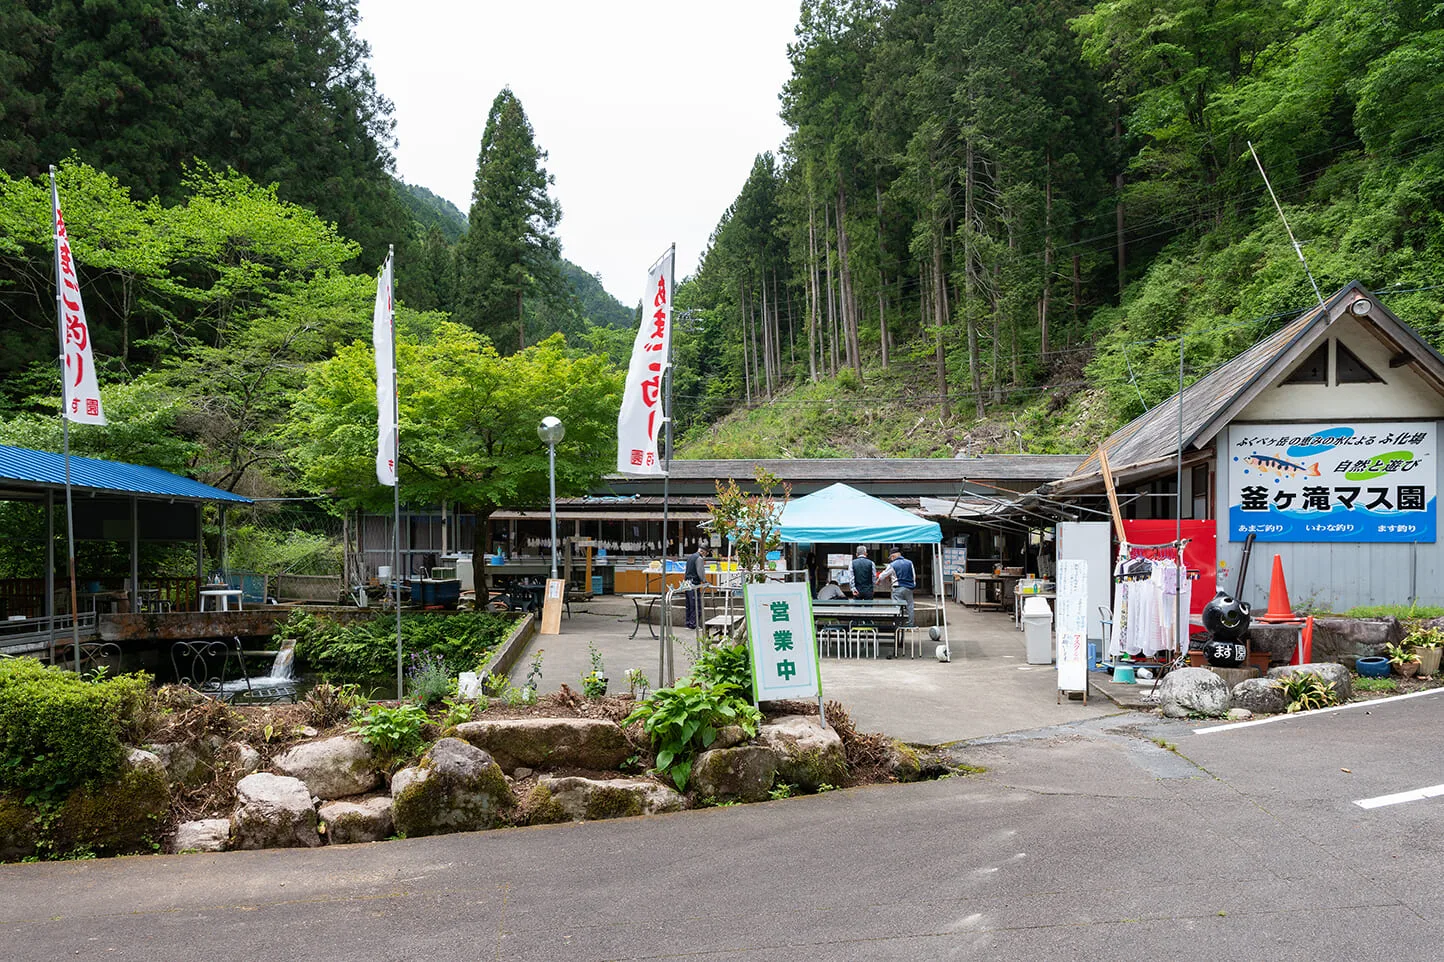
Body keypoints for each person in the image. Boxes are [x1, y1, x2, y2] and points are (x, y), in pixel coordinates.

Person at [876, 546, 917, 627]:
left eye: (891, 557)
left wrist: (878, 580)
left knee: (897, 607)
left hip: (897, 588)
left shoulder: (893, 564)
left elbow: (883, 575)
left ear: (893, 556)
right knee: (910, 607)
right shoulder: (909, 562)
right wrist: (913, 585)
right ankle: (910, 624)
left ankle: (898, 624)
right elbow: (913, 576)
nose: (890, 559)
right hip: (909, 588)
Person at [683, 543, 709, 629]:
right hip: (694, 584)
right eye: (706, 553)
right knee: (696, 605)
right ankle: (693, 624)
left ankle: (688, 623)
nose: (706, 555)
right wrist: (705, 581)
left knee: (689, 605)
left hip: (686, 583)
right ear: (703, 551)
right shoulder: (699, 558)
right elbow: (700, 572)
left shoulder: (690, 557)